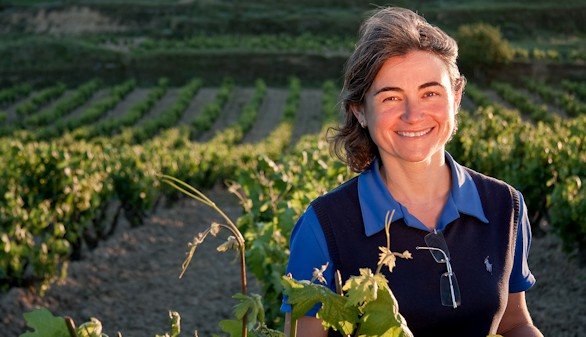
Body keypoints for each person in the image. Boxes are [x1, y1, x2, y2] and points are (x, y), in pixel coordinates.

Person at [281, 6, 543, 337]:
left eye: (430, 93)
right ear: (360, 112)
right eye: (391, 98)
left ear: (456, 97)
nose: (413, 114)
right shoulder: (324, 226)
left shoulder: (505, 206)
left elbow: (515, 323)